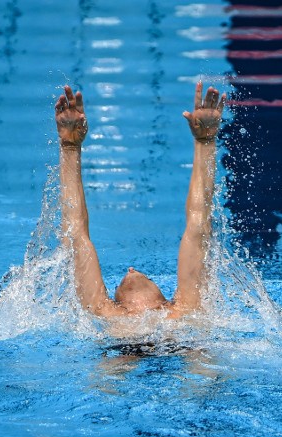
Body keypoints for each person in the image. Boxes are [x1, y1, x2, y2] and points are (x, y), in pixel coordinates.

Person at [54, 81, 226, 321]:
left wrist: (206, 142)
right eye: (147, 276)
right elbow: (74, 234)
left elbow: (199, 226)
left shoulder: (107, 312)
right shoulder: (185, 308)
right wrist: (69, 146)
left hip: (136, 349)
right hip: (165, 347)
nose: (131, 269)